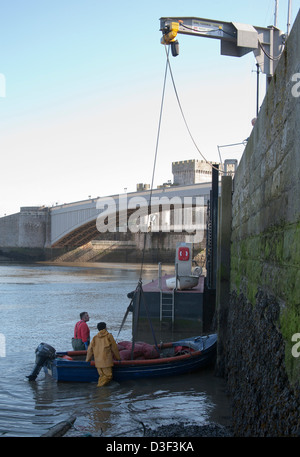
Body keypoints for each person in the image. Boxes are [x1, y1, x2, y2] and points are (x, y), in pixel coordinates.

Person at [86, 322, 120, 387]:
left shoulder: (95, 338)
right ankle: (100, 387)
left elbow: (90, 350)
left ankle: (102, 393)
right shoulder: (109, 336)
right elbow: (114, 348)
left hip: (98, 362)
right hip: (106, 361)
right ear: (105, 327)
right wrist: (118, 358)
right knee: (108, 376)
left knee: (102, 376)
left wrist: (88, 360)